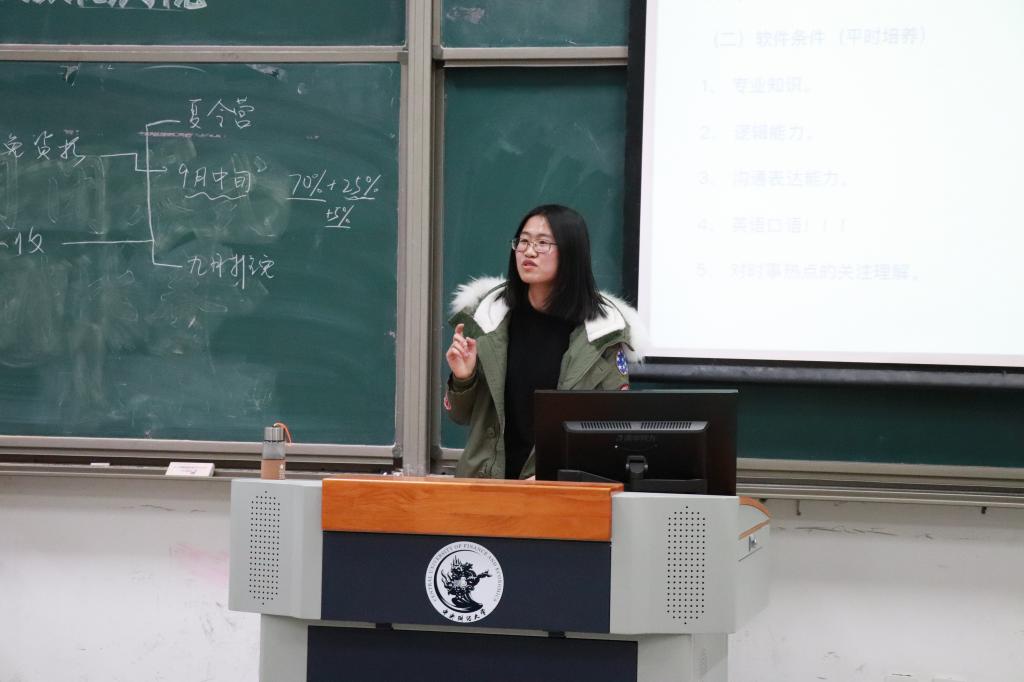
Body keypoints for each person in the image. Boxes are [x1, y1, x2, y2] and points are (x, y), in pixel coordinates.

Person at [444, 204, 643, 480]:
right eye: (523, 241)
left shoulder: (602, 334)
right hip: (486, 486)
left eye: (542, 243)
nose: (529, 251)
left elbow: (611, 434)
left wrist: (553, 475)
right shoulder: (490, 318)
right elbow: (460, 416)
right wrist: (463, 378)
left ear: (571, 252)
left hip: (557, 488)